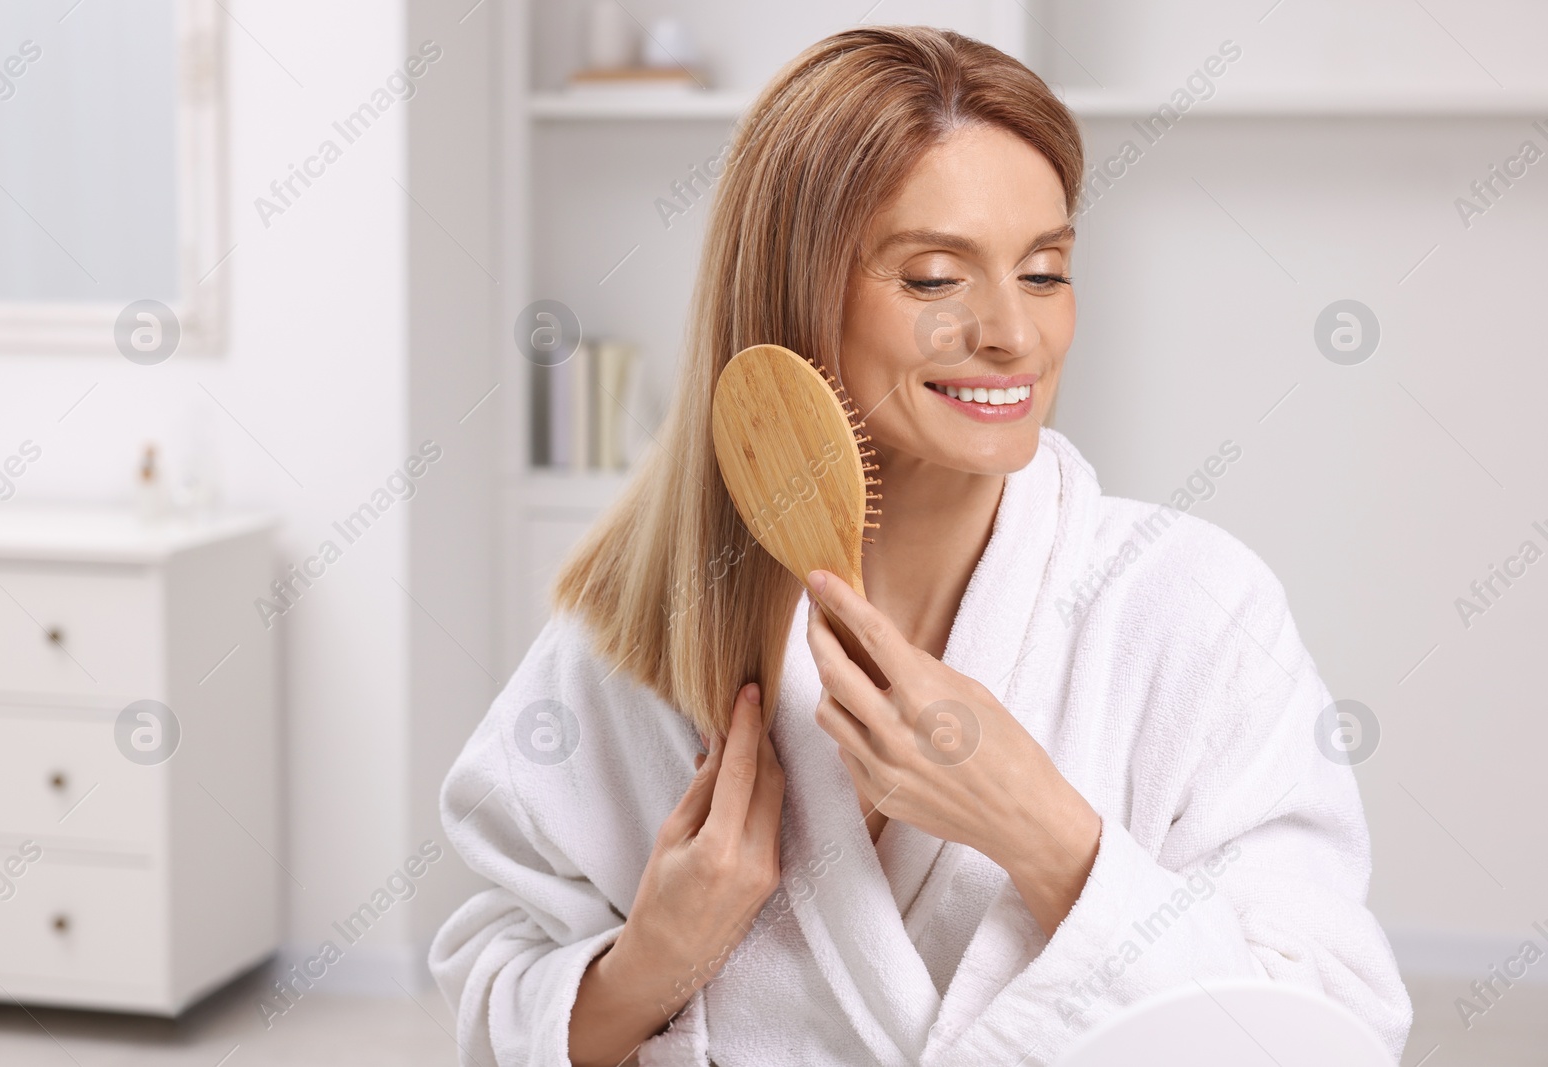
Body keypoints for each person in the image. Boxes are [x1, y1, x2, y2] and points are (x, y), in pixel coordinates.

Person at [429, 25, 1413, 1067]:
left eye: (1043, 272)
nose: (1011, 334)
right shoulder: (635, 634)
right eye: (936, 278)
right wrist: (658, 953)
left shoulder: (1192, 610)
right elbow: (497, 1007)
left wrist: (1044, 831)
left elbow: (1330, 1032)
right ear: (795, 292)